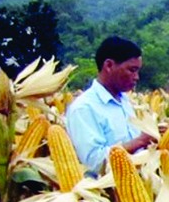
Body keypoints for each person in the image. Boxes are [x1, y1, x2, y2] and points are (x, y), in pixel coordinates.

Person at [66, 36, 155, 176]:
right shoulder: (84, 108)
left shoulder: (124, 101)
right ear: (108, 65)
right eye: (132, 70)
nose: (137, 77)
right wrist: (140, 141)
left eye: (138, 71)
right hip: (104, 193)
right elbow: (93, 162)